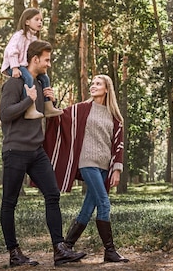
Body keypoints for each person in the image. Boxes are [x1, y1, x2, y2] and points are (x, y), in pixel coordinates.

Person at [0, 40, 86, 267]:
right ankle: (14, 253)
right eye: (46, 59)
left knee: (53, 194)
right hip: (15, 150)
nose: (49, 63)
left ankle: (59, 250)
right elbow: (5, 114)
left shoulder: (39, 83)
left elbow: (45, 115)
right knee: (9, 202)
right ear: (35, 59)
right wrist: (29, 99)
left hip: (36, 152)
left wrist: (50, 101)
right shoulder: (15, 83)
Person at [43, 74, 129, 263]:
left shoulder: (114, 116)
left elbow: (118, 144)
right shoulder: (81, 109)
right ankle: (110, 251)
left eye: (98, 84)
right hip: (87, 162)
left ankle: (66, 247)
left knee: (88, 207)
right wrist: (52, 100)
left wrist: (117, 169)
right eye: (92, 83)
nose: (93, 86)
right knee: (104, 203)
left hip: (105, 166)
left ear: (107, 89)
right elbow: (58, 117)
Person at [1, 8, 64, 119]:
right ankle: (30, 108)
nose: (40, 22)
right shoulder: (19, 36)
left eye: (41, 20)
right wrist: (15, 68)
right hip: (13, 64)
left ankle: (48, 105)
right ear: (27, 22)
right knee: (28, 78)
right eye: (37, 19)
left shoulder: (34, 38)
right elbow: (11, 51)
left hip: (23, 65)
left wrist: (53, 100)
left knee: (45, 79)